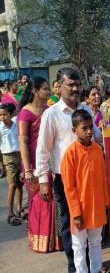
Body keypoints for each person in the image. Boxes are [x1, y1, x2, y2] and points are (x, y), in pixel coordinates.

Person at [35, 68, 102, 273]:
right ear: (59, 86)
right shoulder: (51, 114)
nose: (75, 88)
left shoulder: (86, 109)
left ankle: (93, 265)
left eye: (77, 84)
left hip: (89, 178)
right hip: (65, 178)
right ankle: (75, 267)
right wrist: (43, 180)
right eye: (70, 84)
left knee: (90, 223)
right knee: (69, 223)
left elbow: (97, 135)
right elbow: (43, 148)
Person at [61, 110, 109, 273]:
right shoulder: (70, 154)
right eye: (84, 128)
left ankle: (95, 270)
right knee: (79, 246)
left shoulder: (97, 149)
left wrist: (106, 204)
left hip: (97, 207)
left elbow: (103, 179)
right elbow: (69, 187)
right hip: (79, 210)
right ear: (74, 130)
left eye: (91, 127)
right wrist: (75, 213)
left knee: (96, 242)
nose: (89, 131)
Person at [18, 77, 61, 252]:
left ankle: (56, 241)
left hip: (48, 160)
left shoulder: (49, 110)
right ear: (36, 91)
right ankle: (40, 241)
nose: (48, 92)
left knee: (53, 199)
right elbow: (23, 141)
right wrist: (28, 169)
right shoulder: (25, 113)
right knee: (39, 201)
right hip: (32, 163)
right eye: (45, 89)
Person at [1, 102, 24, 227]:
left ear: (11, 114)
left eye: (5, 114)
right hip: (8, 156)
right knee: (12, 184)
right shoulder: (0, 128)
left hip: (19, 155)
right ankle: (10, 212)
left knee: (20, 183)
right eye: (0, 115)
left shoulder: (17, 124)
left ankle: (19, 208)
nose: (2, 117)